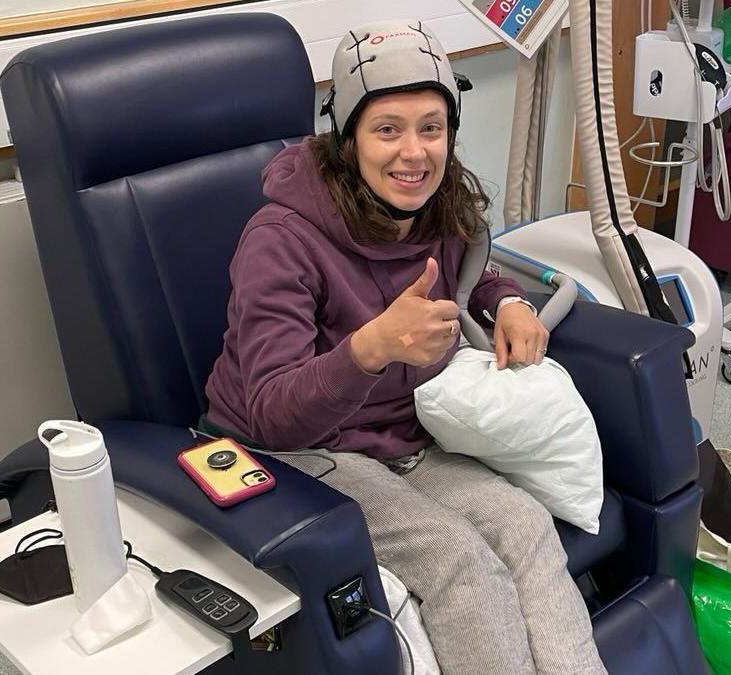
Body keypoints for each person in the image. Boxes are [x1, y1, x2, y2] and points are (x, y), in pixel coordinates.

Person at [203, 19, 606, 675]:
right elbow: (272, 411)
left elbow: (474, 261)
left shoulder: (435, 203)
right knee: (459, 558)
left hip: (402, 435)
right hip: (298, 452)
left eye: (431, 127)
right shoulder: (279, 238)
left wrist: (505, 301)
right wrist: (369, 347)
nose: (413, 152)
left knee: (526, 527)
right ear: (348, 137)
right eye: (387, 129)